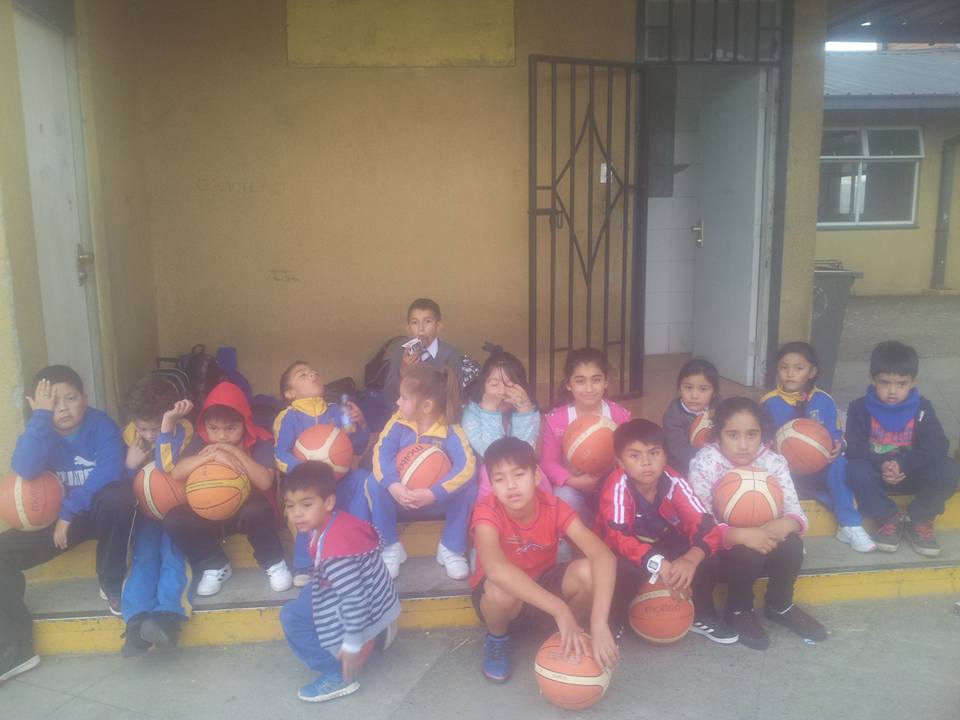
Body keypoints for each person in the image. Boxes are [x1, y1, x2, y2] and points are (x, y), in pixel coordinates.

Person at [0, 365, 132, 682]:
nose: (63, 408)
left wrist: (69, 511)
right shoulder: (40, 429)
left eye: (70, 398)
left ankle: (112, 581)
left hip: (94, 513)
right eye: (53, 401)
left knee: (119, 496)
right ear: (37, 404)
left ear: (84, 398)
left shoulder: (100, 424)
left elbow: (111, 471)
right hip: (57, 522)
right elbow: (24, 468)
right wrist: (40, 418)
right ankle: (16, 648)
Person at [471, 437, 620, 683]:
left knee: (588, 572)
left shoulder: (554, 507)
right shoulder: (487, 511)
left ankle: (561, 635)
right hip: (504, 601)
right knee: (500, 589)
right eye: (499, 479)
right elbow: (496, 570)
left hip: (541, 587)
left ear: (536, 475)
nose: (511, 486)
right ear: (492, 485)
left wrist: (599, 623)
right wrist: (560, 609)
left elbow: (603, 556)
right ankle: (497, 639)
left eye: (519, 474)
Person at [689, 397, 828, 650]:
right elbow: (700, 518)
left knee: (793, 545)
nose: (743, 445)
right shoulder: (705, 462)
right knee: (747, 552)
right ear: (718, 435)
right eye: (733, 435)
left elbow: (794, 509)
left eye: (752, 435)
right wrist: (739, 535)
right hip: (724, 550)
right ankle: (739, 609)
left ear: (762, 434)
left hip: (766, 538)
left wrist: (787, 523)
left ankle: (780, 604)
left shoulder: (773, 462)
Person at [596, 419, 738, 644]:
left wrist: (690, 559)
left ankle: (702, 612)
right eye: (634, 455)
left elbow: (705, 524)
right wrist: (657, 562)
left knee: (708, 555)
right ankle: (616, 618)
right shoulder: (617, 486)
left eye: (654, 453)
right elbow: (617, 536)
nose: (646, 462)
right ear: (620, 462)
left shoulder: (674, 481)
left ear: (665, 456)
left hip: (662, 542)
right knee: (620, 569)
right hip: (627, 550)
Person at [279, 462, 399, 704]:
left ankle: (339, 674)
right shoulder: (337, 521)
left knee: (291, 617)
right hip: (379, 599)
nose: (297, 513)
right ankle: (377, 632)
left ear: (329, 502)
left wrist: (352, 644)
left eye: (306, 504)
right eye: (290, 506)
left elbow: (355, 599)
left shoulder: (335, 552)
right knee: (307, 597)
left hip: (367, 604)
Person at [162, 381, 292, 596]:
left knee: (258, 508)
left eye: (231, 428)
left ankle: (274, 562)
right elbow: (177, 473)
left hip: (245, 514)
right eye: (214, 429)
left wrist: (233, 452)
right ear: (205, 425)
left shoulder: (260, 439)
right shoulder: (200, 441)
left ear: (245, 423)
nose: (222, 436)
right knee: (175, 518)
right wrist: (212, 455)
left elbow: (265, 482)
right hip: (208, 513)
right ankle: (214, 565)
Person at [363, 365, 476, 580]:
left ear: (426, 406)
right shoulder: (398, 422)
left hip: (434, 502)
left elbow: (466, 467)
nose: (398, 402)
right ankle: (391, 547)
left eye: (404, 398)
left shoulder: (450, 430)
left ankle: (451, 548)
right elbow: (381, 453)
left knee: (469, 487)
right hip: (400, 499)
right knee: (374, 482)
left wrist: (434, 493)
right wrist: (394, 486)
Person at [846, 341, 959, 557]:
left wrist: (904, 464)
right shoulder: (859, 408)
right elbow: (854, 447)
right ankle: (887, 517)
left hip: (911, 472)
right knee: (854, 469)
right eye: (884, 382)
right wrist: (883, 464)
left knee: (949, 470)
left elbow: (938, 445)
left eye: (901, 384)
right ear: (872, 379)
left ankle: (919, 518)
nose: (892, 391)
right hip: (877, 475)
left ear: (913, 382)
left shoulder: (922, 408)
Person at [761, 342, 874, 553]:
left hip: (819, 466)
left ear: (812, 372)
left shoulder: (823, 400)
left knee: (839, 463)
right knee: (768, 474)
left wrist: (837, 445)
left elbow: (835, 434)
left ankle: (850, 525)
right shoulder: (768, 402)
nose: (790, 373)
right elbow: (762, 441)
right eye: (784, 367)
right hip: (786, 470)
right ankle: (791, 536)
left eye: (798, 368)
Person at [273, 360, 370, 586]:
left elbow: (356, 445)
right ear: (290, 393)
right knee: (306, 501)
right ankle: (304, 564)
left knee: (362, 479)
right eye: (302, 374)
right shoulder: (288, 416)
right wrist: (306, 471)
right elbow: (280, 454)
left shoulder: (337, 410)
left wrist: (361, 424)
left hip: (339, 480)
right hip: (306, 481)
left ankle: (360, 549)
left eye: (314, 372)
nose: (312, 375)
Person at [119, 375, 195, 656]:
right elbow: (119, 484)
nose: (149, 435)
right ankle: (136, 621)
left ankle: (167, 616)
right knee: (144, 557)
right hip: (146, 513)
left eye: (154, 428)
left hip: (178, 511)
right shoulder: (129, 435)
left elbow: (165, 465)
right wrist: (129, 467)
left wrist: (167, 426)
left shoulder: (183, 430)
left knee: (173, 555)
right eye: (143, 428)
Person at [541, 348, 631, 523]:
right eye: (580, 381)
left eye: (596, 380)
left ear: (605, 381)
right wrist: (574, 481)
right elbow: (547, 463)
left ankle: (613, 527)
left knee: (631, 488)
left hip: (612, 481)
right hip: (574, 483)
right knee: (563, 498)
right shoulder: (557, 419)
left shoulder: (619, 415)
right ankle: (586, 531)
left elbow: (628, 454)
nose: (589, 388)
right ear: (569, 384)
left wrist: (613, 472)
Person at [460, 351, 547, 497]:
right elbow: (493, 456)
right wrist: (489, 412)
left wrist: (524, 411)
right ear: (483, 385)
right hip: (487, 479)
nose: (502, 392)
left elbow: (524, 454)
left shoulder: (527, 409)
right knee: (488, 474)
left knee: (538, 475)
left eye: (510, 384)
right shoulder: (471, 414)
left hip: (519, 474)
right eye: (494, 384)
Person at [382, 298, 479, 407]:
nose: (421, 328)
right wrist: (402, 373)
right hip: (404, 413)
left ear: (438, 327)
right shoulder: (401, 351)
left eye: (428, 321)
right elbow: (389, 396)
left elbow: (455, 398)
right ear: (408, 329)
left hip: (436, 415)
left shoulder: (450, 355)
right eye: (415, 323)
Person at [662, 358, 720, 476]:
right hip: (683, 467)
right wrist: (712, 456)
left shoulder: (720, 408)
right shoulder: (673, 415)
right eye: (688, 388)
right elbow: (679, 451)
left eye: (703, 389)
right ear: (679, 388)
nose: (694, 396)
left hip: (718, 461)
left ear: (714, 392)